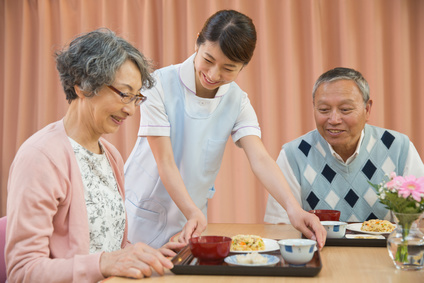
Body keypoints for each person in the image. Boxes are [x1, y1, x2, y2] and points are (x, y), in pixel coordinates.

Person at [124, 9, 326, 249]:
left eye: (228, 68)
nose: (213, 74)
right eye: (208, 60)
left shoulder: (236, 100)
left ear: (244, 66)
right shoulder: (158, 85)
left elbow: (259, 157)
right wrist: (193, 211)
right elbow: (165, 161)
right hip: (144, 213)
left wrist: (294, 209)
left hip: (191, 221)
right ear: (198, 40)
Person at [5, 28, 185, 283]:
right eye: (124, 94)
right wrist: (105, 263)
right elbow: (22, 271)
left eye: (136, 98)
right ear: (82, 86)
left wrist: (145, 256)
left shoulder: (110, 155)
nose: (131, 110)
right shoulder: (40, 158)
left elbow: (107, 247)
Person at [265, 67, 424, 224]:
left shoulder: (398, 148)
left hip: (384, 249)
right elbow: (281, 225)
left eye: (345, 109)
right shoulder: (294, 154)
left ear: (367, 109)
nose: (334, 119)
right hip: (318, 249)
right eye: (324, 109)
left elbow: (420, 217)